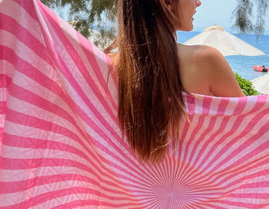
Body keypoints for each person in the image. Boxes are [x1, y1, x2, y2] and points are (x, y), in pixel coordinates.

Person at [105, 0, 245, 163]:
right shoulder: (205, 61)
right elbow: (254, 123)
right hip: (191, 185)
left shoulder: (105, 64)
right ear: (167, 2)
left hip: (126, 185)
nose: (198, 3)